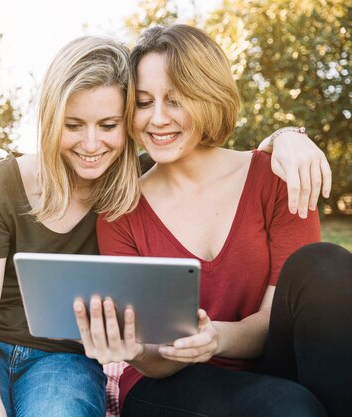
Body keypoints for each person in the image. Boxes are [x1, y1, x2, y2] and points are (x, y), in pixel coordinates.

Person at [0, 35, 333, 417]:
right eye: (73, 125)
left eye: (109, 126)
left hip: (65, 357)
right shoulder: (48, 190)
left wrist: (287, 135)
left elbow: (210, 150)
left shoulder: (135, 182)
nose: (92, 145)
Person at [73, 24, 352, 417]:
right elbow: (151, 356)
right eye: (143, 102)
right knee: (292, 408)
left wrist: (215, 336)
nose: (156, 119)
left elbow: (275, 321)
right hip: (169, 382)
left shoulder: (277, 177)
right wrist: (135, 349)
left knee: (326, 262)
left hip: (267, 364)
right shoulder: (121, 209)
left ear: (208, 95)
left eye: (175, 100)